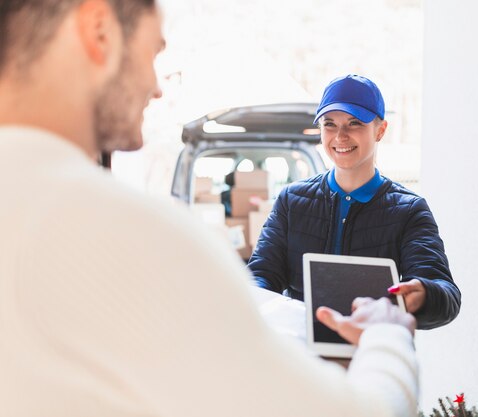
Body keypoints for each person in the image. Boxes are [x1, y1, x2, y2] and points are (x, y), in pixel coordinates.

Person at [0, 2, 419, 417]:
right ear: (100, 34)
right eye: (153, 54)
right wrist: (386, 336)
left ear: (379, 130)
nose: (156, 86)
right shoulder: (135, 237)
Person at [248, 74, 461, 329]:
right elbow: (261, 275)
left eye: (354, 123)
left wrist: (423, 293)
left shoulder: (408, 211)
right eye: (329, 124)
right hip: (301, 354)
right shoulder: (292, 201)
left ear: (380, 130)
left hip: (369, 351)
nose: (340, 136)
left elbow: (445, 293)